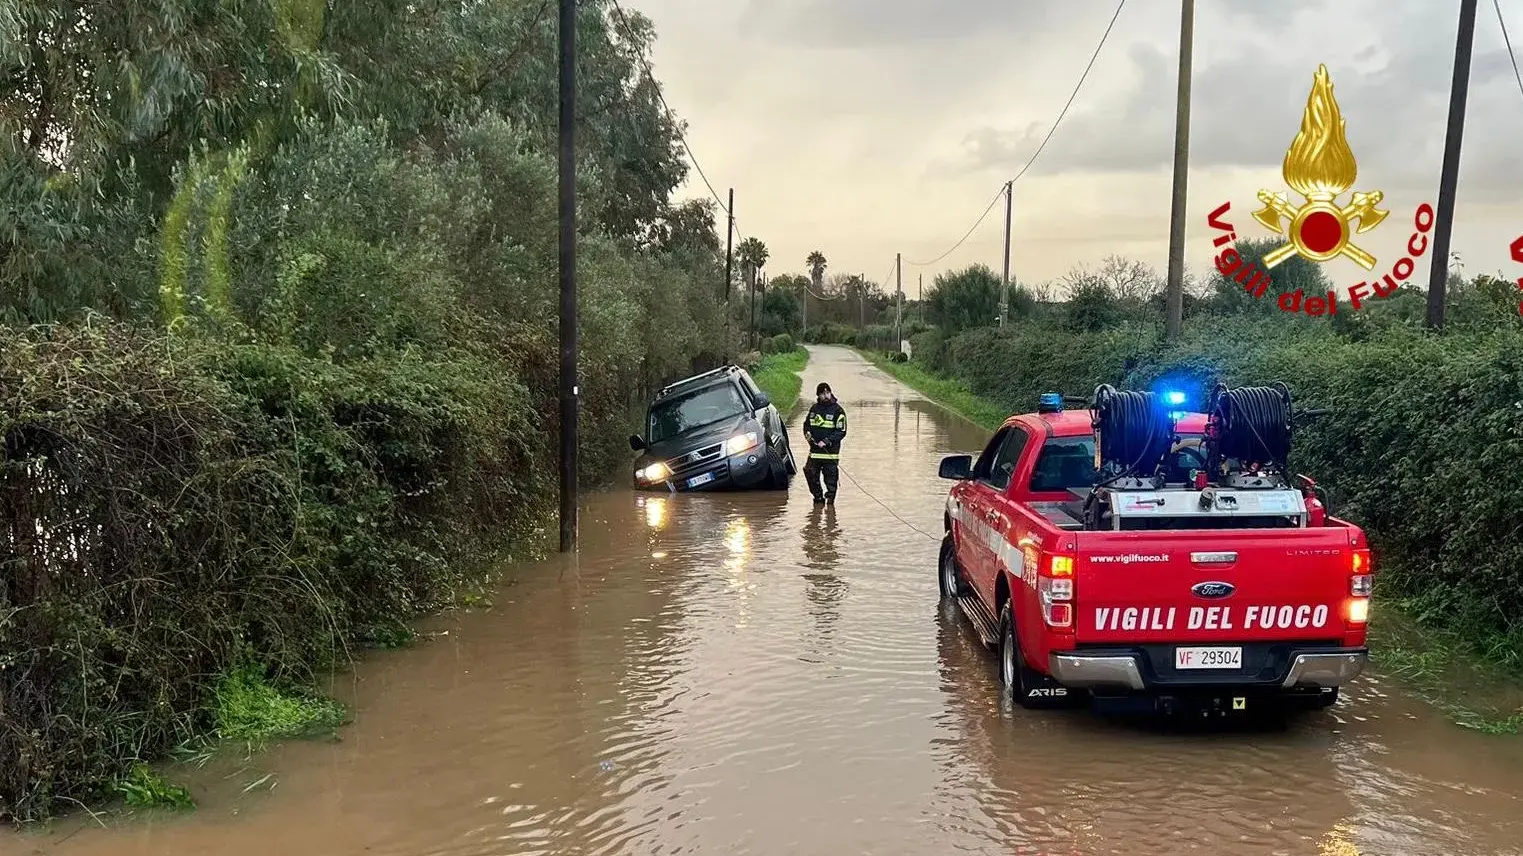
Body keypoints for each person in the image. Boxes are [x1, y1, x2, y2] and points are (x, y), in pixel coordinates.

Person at [802, 381, 847, 504]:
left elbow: (841, 431)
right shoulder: (814, 409)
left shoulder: (838, 411)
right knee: (810, 473)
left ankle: (830, 506)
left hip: (830, 453)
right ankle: (818, 499)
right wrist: (808, 436)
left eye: (827, 392)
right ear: (818, 395)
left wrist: (826, 441)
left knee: (831, 480)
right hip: (815, 452)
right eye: (823, 393)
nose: (826, 395)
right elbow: (807, 425)